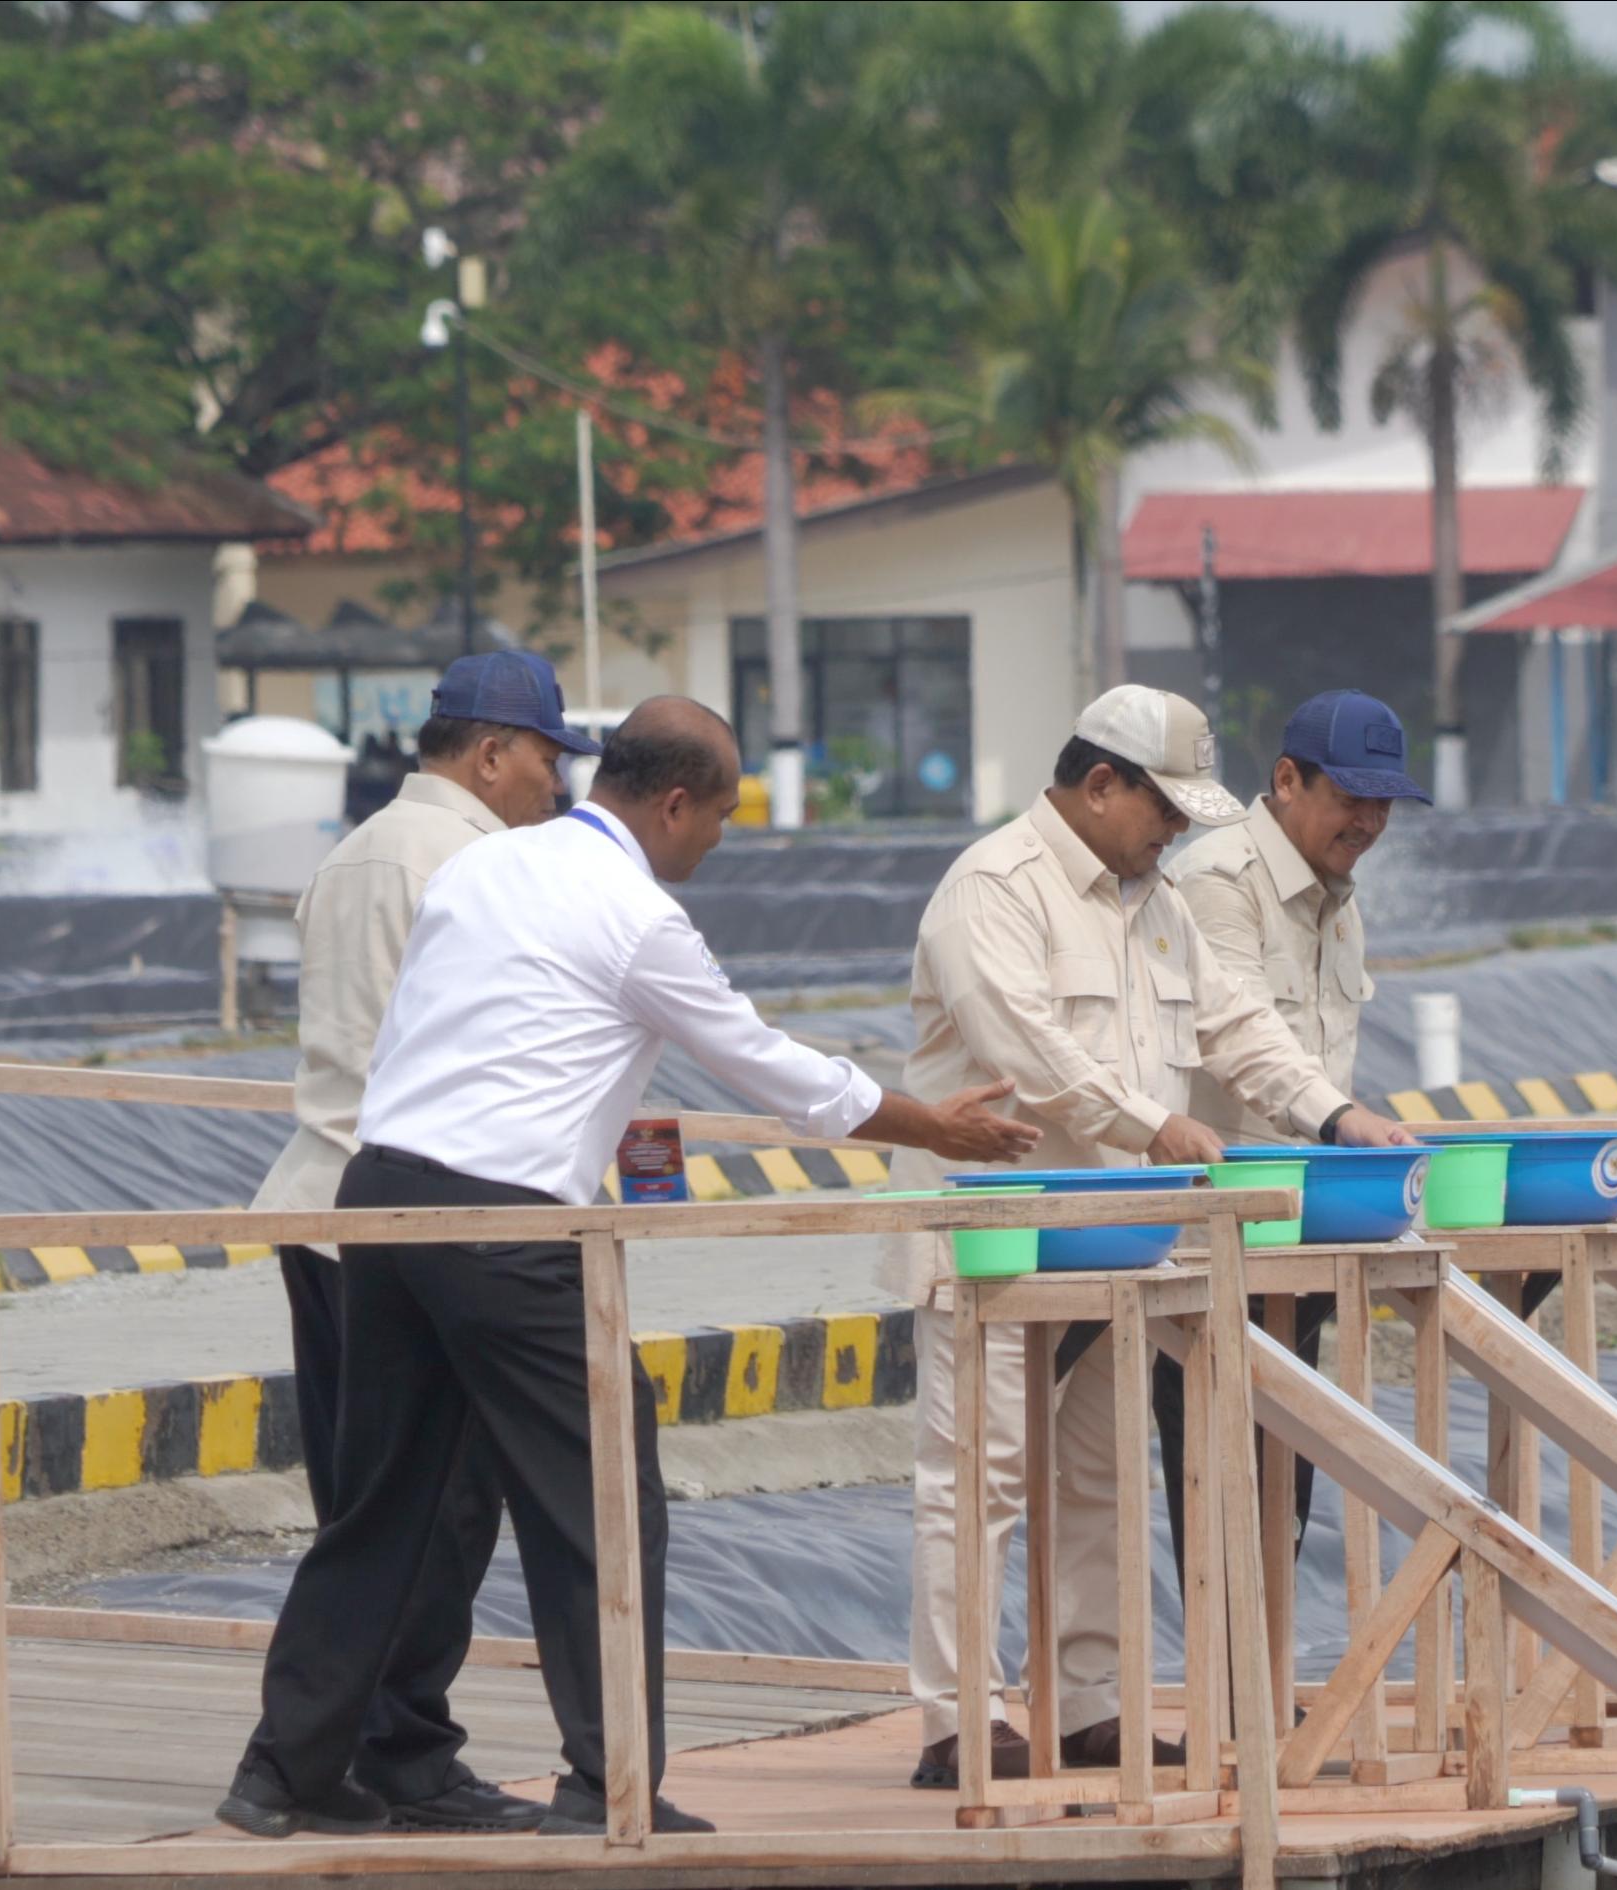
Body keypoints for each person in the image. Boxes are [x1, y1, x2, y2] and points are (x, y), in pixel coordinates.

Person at [219, 697, 1038, 1841]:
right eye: (721, 814)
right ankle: (609, 1784)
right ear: (672, 803)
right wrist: (930, 1127)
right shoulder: (634, 916)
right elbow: (769, 1066)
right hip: (504, 1227)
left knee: (385, 1500)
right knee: (605, 1497)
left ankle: (284, 1773)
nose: (720, 839)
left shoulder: (490, 867)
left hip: (383, 1197)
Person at [892, 684, 1415, 1789]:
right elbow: (1024, 1048)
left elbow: (1235, 1023)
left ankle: (1088, 1704)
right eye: (1162, 810)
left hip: (1116, 1232)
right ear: (1099, 785)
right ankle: (959, 1718)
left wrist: (1334, 1114)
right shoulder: (995, 888)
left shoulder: (1153, 903)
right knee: (978, 1476)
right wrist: (1151, 1123)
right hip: (1000, 1229)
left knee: (1098, 1473)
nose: (1173, 832)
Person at [240, 650, 583, 1835]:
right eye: (546, 758)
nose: (555, 784)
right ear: (490, 753)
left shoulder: (357, 852)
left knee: (375, 1506)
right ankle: (398, 1751)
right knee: (430, 1509)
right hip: (414, 1216)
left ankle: (348, 1749)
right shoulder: (474, 864)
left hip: (328, 1203)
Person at [1165, 688, 1427, 1565]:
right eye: (1350, 797)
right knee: (1215, 1480)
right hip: (1215, 1237)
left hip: (1299, 1230)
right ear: (1286, 779)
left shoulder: (1334, 893)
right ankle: (1231, 1697)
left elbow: (1321, 1052)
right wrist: (1346, 1120)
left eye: (1382, 801)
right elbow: (1244, 1039)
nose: (1369, 821)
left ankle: (1263, 1697)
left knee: (1286, 1485)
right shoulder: (1217, 880)